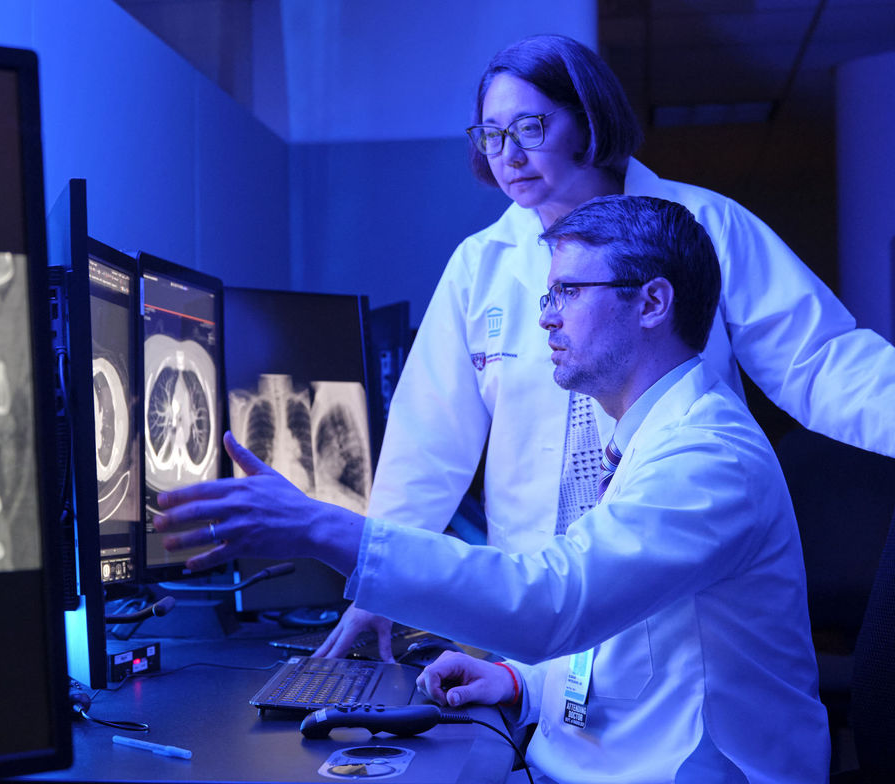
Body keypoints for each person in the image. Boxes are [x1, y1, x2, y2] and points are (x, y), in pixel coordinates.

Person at [154, 195, 830, 784]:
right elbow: (632, 631)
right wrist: (521, 682)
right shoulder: (652, 438)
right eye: (548, 295)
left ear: (652, 302)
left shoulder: (708, 458)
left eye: (569, 292)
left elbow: (553, 602)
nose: (546, 319)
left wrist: (317, 526)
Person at [320, 33, 895, 660]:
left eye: (530, 128)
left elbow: (821, 362)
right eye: (492, 135)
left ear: (590, 120)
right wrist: (381, 588)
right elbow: (429, 440)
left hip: (668, 595)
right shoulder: (479, 266)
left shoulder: (703, 227)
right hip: (534, 604)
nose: (509, 154)